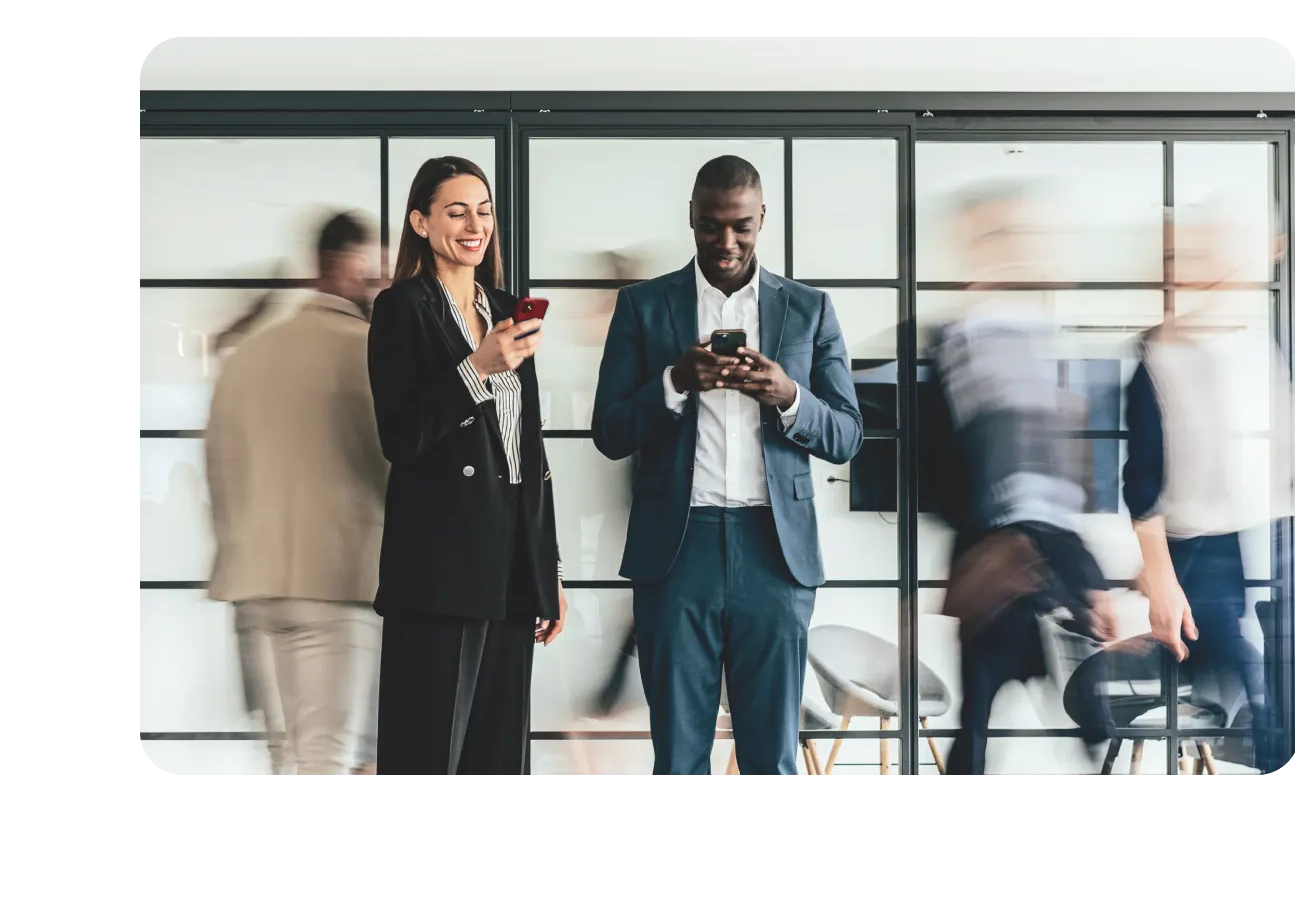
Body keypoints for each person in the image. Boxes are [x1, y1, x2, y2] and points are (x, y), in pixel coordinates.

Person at [592, 155, 864, 778]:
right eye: (712, 225)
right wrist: (674, 381)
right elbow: (608, 432)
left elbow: (848, 435)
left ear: (762, 218)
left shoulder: (809, 310)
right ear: (691, 217)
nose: (726, 241)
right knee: (679, 758)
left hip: (774, 553)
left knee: (772, 758)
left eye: (741, 226)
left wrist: (789, 396)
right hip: (676, 550)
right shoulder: (642, 307)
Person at [368, 156, 567, 781]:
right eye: (456, 212)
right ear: (420, 222)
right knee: (427, 751)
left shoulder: (507, 308)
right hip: (438, 564)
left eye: (483, 211)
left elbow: (527, 451)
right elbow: (401, 437)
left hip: (510, 558)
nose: (474, 225)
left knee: (499, 752)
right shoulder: (401, 307)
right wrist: (476, 366)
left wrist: (547, 566)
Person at [931, 179, 1118, 780]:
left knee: (1090, 726)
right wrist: (988, 545)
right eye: (997, 235)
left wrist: (1092, 583)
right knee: (979, 729)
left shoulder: (1055, 350)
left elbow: (1065, 489)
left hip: (1055, 565)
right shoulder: (950, 346)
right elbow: (936, 479)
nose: (1015, 250)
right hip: (992, 567)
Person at [205, 211, 389, 780]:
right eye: (373, 271)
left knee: (286, 755)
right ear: (343, 263)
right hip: (334, 583)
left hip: (253, 587)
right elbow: (394, 466)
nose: (380, 286)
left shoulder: (249, 355)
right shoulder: (363, 350)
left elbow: (220, 472)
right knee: (326, 757)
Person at [1124, 194, 1295, 776]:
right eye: (1198, 250)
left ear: (1270, 255)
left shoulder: (1280, 346)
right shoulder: (1158, 351)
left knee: (1281, 704)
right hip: (1202, 551)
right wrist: (1162, 583)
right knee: (1249, 702)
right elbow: (1141, 482)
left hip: (1279, 539)